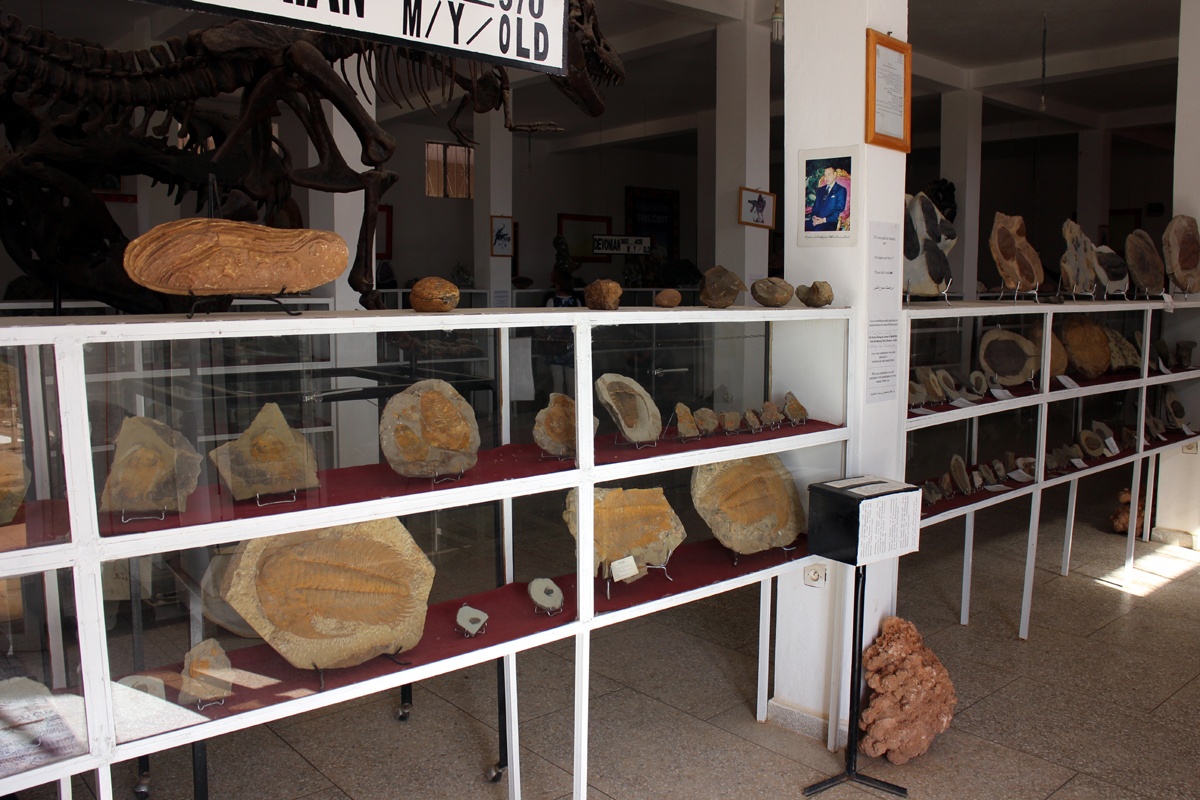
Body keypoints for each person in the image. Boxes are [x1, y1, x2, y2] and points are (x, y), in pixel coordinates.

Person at [545, 268, 580, 396]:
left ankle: (557, 406)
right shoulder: (576, 302)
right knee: (572, 382)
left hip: (555, 346)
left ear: (558, 284)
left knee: (557, 382)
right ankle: (572, 407)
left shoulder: (551, 302)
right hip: (572, 345)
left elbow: (547, 326)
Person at [807, 166, 847, 231]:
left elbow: (839, 209)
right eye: (825, 175)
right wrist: (814, 217)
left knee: (817, 230)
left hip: (829, 223)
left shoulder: (841, 190)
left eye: (829, 174)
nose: (826, 177)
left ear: (834, 175)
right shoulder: (820, 190)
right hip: (816, 221)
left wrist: (823, 220)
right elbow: (815, 208)